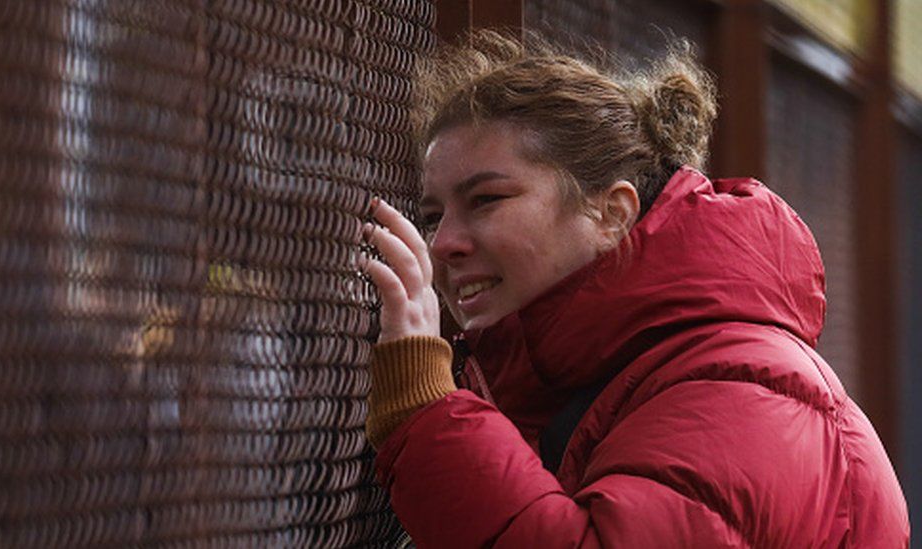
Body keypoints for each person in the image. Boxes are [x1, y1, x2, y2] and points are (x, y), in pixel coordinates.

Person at [360, 30, 909, 547]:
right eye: (433, 217)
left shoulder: (734, 384)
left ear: (610, 213)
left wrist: (425, 411)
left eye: (487, 200)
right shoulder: (621, 371)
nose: (443, 243)